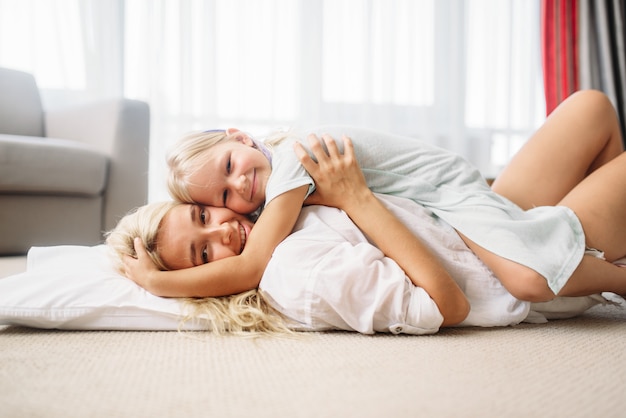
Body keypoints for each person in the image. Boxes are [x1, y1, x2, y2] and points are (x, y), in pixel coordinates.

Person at [106, 117, 626, 334]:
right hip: (453, 199)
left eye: (228, 168)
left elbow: (249, 265)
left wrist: (159, 282)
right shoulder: (273, 205)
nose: (238, 189)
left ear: (239, 137)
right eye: (220, 196)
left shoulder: (292, 162)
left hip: (455, 196)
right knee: (592, 108)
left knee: (529, 278)